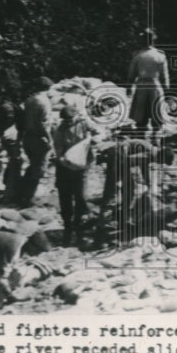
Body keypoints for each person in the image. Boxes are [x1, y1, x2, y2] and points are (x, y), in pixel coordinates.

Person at [53, 98, 97, 244]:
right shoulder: (59, 129)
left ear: (75, 116)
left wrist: (93, 140)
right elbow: (58, 149)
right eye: (65, 121)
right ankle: (67, 226)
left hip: (81, 167)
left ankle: (79, 226)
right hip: (65, 168)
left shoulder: (84, 124)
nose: (68, 123)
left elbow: (99, 134)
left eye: (70, 120)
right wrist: (62, 160)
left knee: (80, 196)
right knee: (65, 197)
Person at [17, 77, 54, 207]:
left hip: (27, 137)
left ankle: (20, 192)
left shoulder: (29, 100)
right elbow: (43, 124)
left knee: (33, 165)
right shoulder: (44, 102)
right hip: (39, 138)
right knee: (39, 169)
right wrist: (50, 140)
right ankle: (27, 199)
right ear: (48, 88)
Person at [128, 29, 169, 141]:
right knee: (157, 114)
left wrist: (129, 86)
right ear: (153, 41)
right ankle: (155, 138)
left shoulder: (138, 55)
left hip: (141, 86)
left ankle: (141, 138)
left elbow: (131, 74)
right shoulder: (160, 56)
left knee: (141, 115)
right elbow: (164, 76)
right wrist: (166, 90)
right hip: (155, 86)